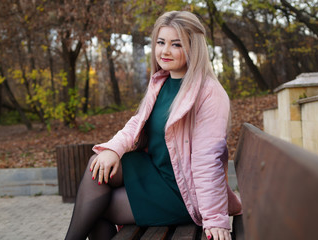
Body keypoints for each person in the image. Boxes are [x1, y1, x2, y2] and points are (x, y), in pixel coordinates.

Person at [64, 10, 242, 240]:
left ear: (193, 48)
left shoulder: (208, 93)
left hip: (181, 193)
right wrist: (113, 150)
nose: (165, 51)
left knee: (95, 209)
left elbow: (208, 159)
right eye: (161, 42)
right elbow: (138, 122)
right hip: (154, 171)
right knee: (96, 167)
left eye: (176, 44)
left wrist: (215, 218)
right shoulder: (161, 81)